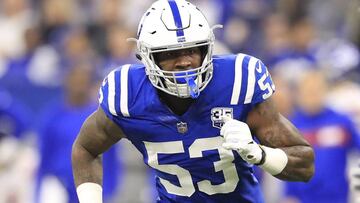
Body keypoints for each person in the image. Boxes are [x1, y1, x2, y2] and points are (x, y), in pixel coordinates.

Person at [72, 0, 315, 202]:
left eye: (192, 50)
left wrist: (258, 153)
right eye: (169, 54)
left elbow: (304, 165)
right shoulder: (129, 94)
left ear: (207, 49)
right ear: (147, 58)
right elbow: (86, 149)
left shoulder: (237, 82)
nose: (184, 61)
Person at [37, 63, 122, 203]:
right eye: (75, 81)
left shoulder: (100, 117)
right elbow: (44, 158)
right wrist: (40, 188)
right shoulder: (53, 117)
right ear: (66, 82)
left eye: (83, 82)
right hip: (59, 186)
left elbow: (112, 158)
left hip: (92, 185)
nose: (79, 86)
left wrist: (110, 189)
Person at [282, 70, 360, 203]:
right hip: (301, 199)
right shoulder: (291, 126)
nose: (312, 95)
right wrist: (288, 194)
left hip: (337, 198)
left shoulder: (341, 122)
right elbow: (285, 164)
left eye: (317, 90)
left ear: (325, 91)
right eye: (308, 91)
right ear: (299, 94)